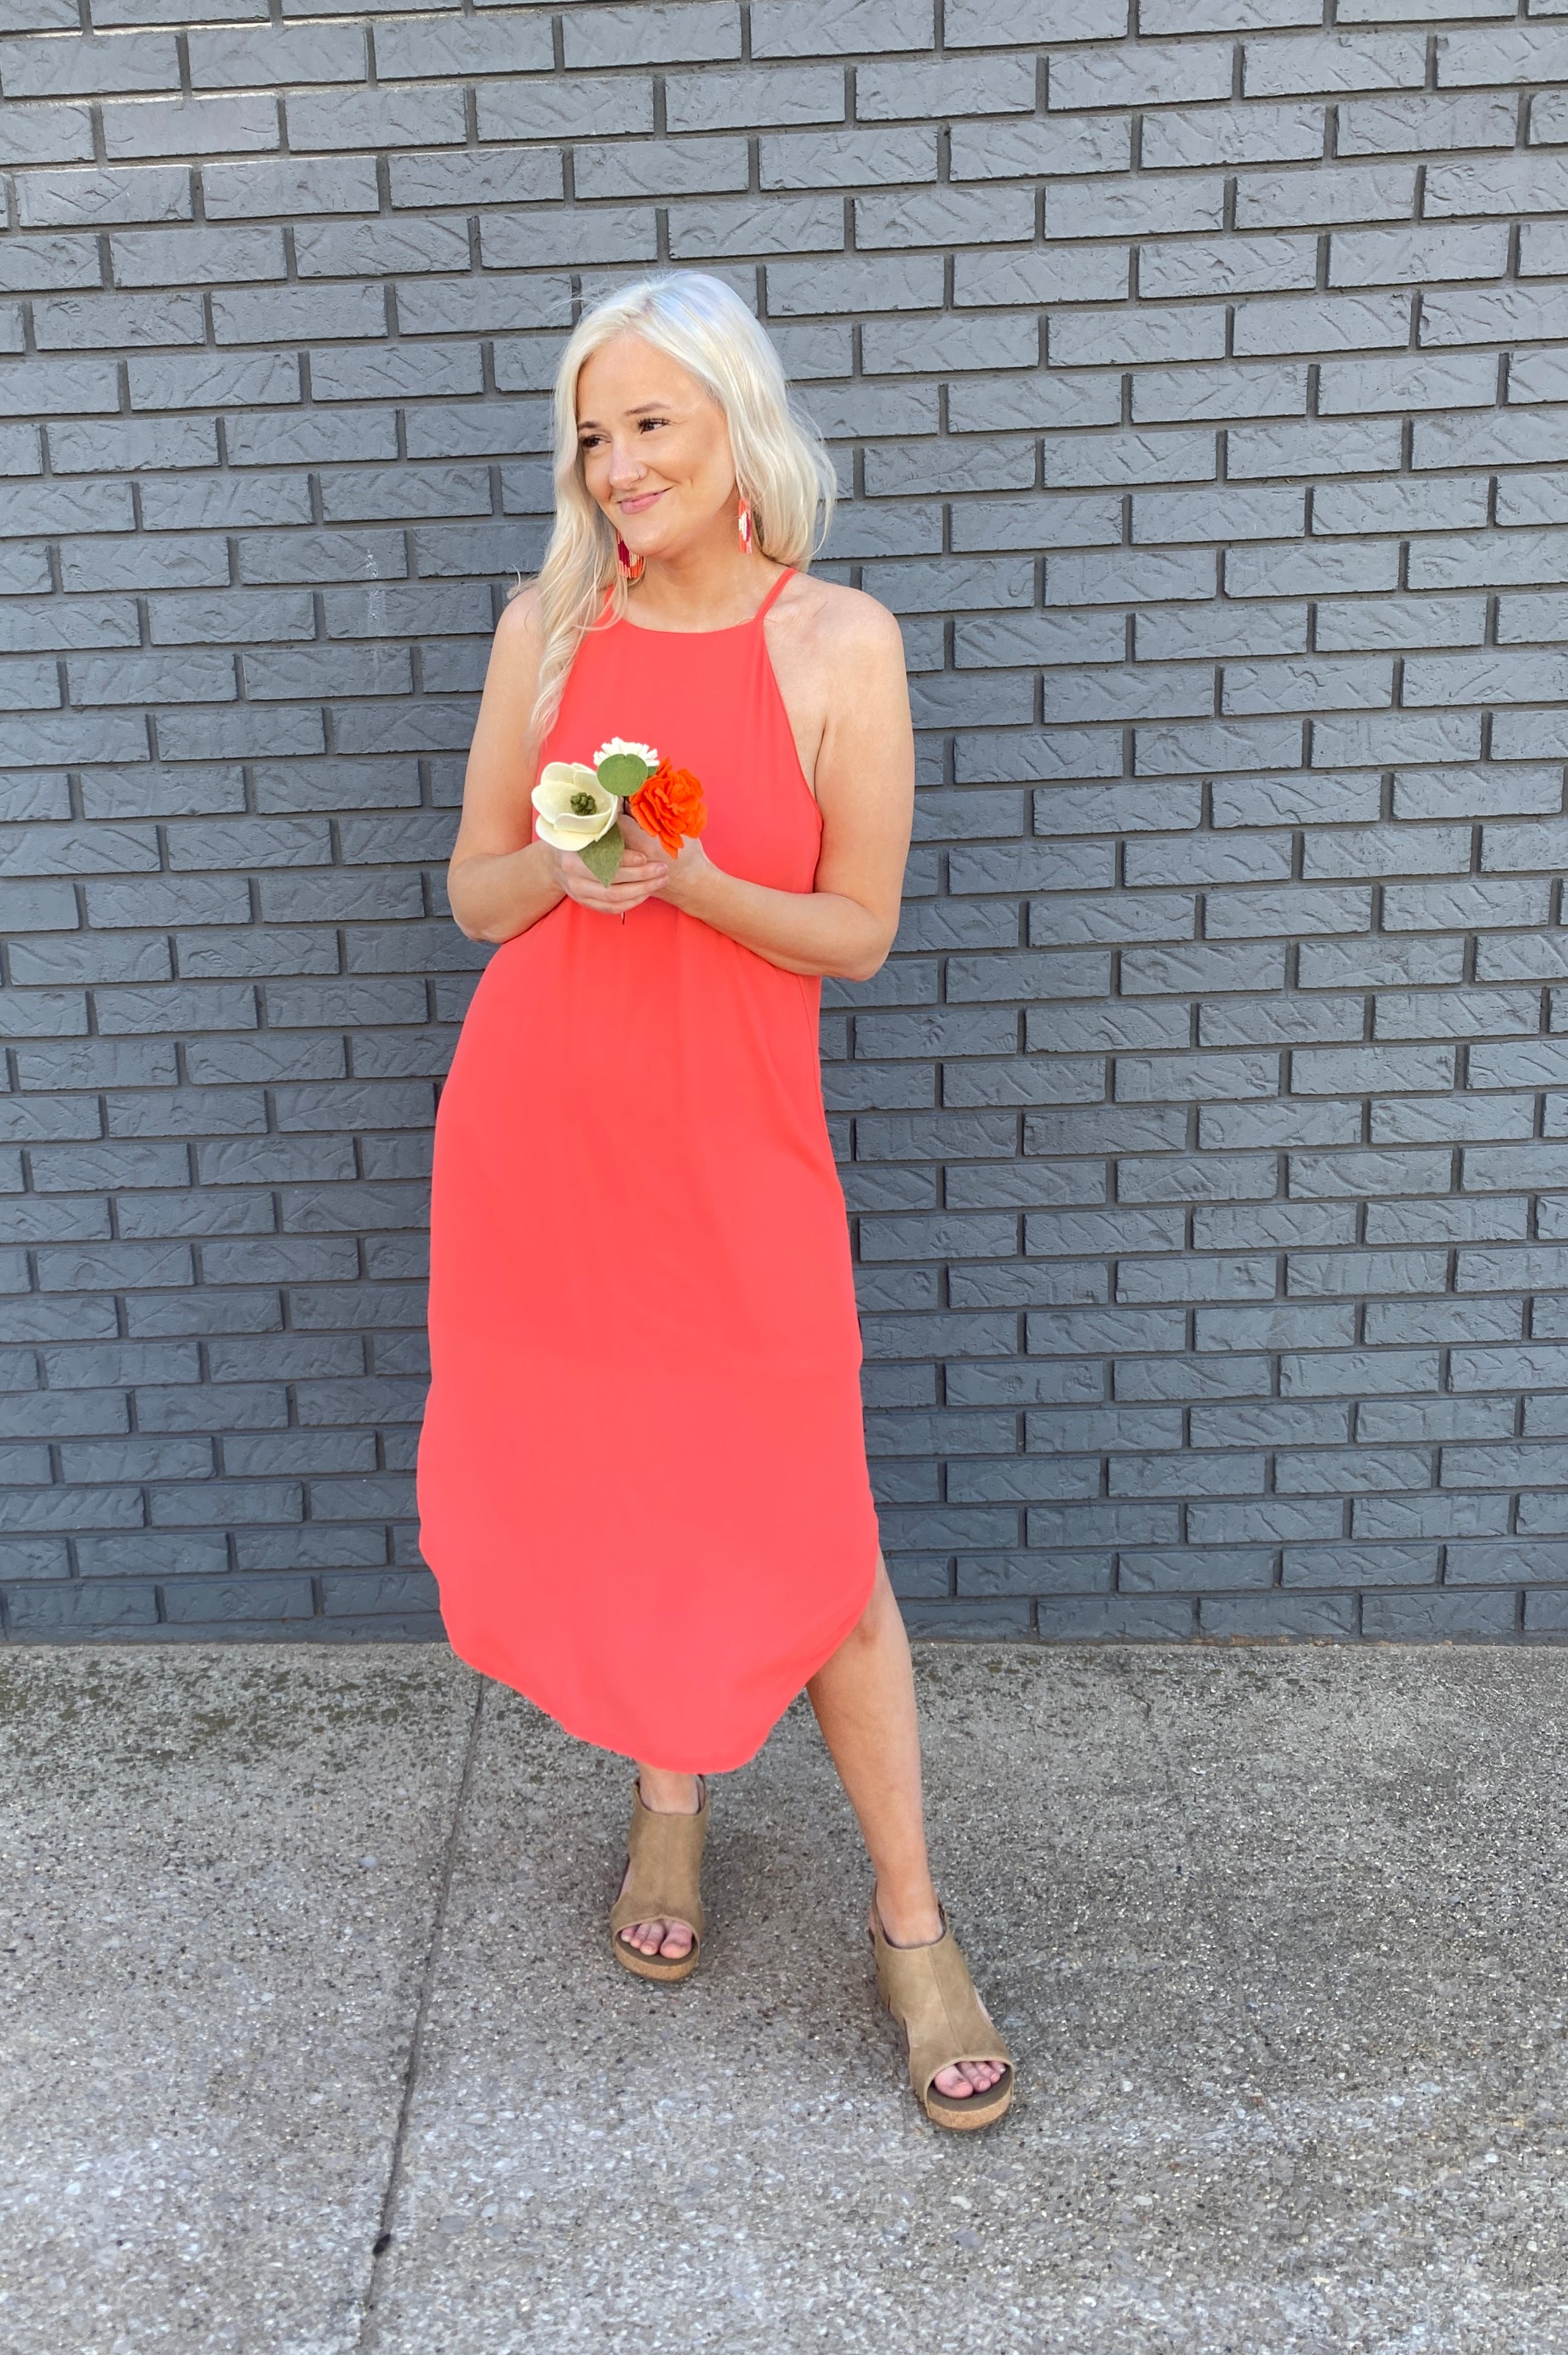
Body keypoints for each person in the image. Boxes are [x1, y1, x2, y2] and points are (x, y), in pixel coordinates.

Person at [415, 272, 1012, 2130]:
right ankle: (670, 1805)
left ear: (739, 427)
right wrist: (569, 876)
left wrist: (680, 880)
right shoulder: (550, 624)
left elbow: (858, 930)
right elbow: (474, 893)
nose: (615, 467)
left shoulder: (838, 642)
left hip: (731, 1157)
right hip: (546, 1137)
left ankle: (911, 1927)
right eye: (593, 433)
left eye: (650, 424)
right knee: (613, 1484)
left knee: (818, 1544)